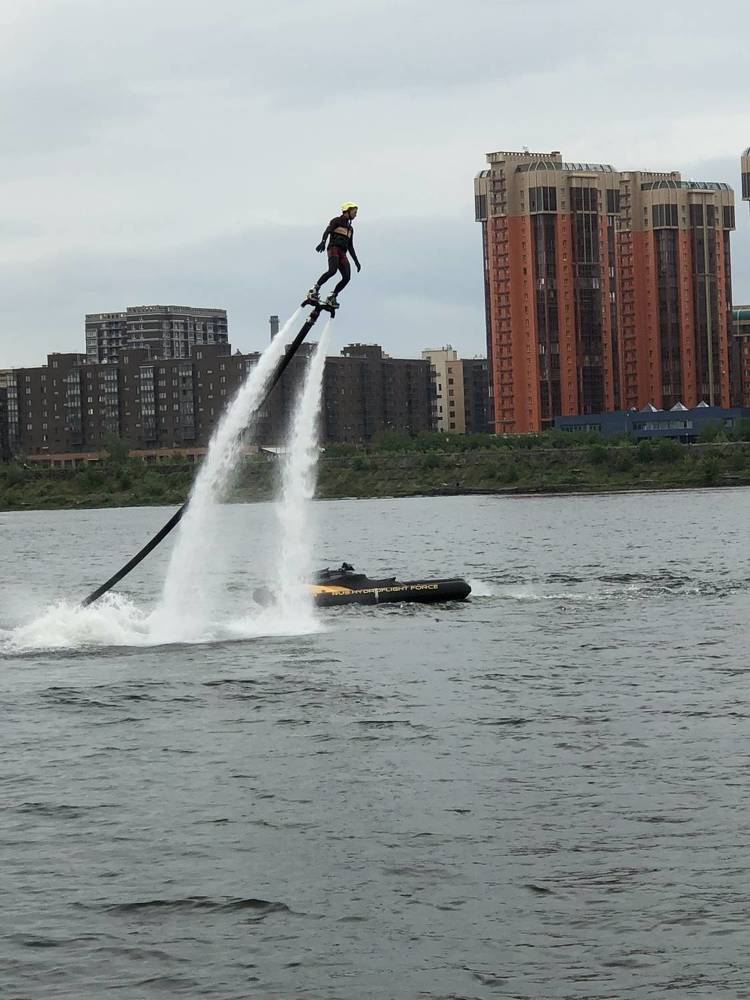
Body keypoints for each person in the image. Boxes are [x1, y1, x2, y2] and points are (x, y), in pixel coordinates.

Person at [307, 202, 361, 309]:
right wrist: (323, 242)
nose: (356, 214)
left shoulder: (350, 229)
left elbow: (350, 246)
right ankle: (314, 289)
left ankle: (332, 296)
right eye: (354, 212)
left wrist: (356, 261)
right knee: (332, 271)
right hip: (333, 248)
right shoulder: (336, 220)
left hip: (342, 252)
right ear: (347, 211)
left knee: (347, 277)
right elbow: (328, 231)